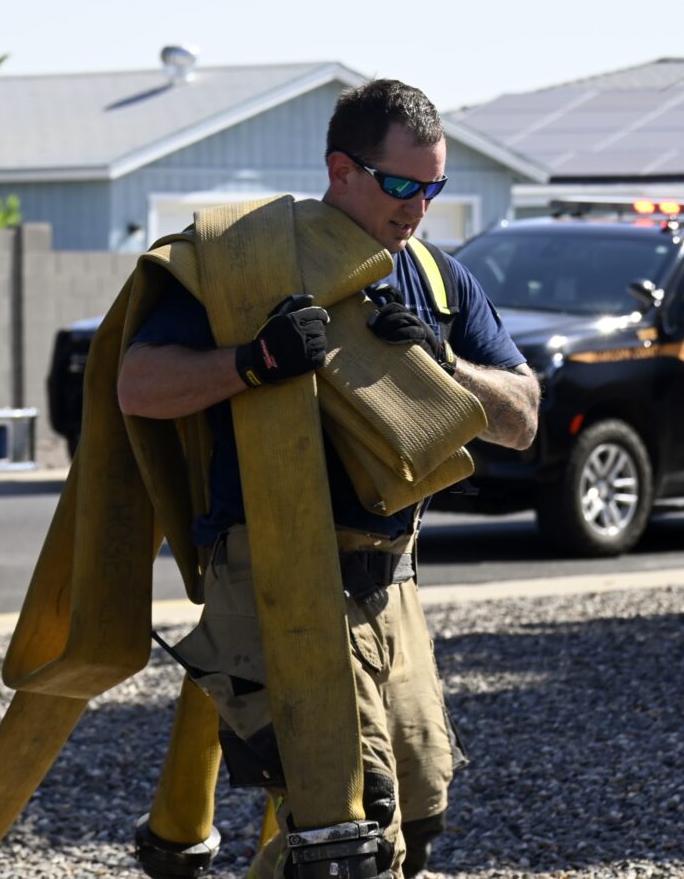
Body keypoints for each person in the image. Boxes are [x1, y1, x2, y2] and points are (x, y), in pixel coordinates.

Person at [118, 79, 540, 879]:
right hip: (278, 577)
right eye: (402, 185)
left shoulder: (440, 281)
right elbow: (138, 386)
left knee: (418, 816)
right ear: (340, 169)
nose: (418, 207)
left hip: (392, 586)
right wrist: (252, 362)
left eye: (433, 188)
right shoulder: (246, 265)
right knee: (347, 830)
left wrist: (446, 367)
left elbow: (522, 419)